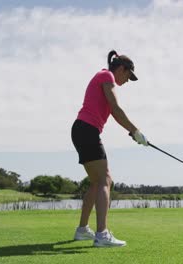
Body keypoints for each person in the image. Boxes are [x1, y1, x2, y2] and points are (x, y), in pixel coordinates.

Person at [71, 50, 148, 247]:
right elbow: (115, 108)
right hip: (86, 130)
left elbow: (112, 110)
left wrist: (133, 132)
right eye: (128, 76)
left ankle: (82, 230)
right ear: (121, 69)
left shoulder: (103, 76)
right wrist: (135, 131)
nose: (127, 81)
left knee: (97, 182)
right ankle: (102, 235)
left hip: (82, 130)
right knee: (106, 180)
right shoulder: (106, 76)